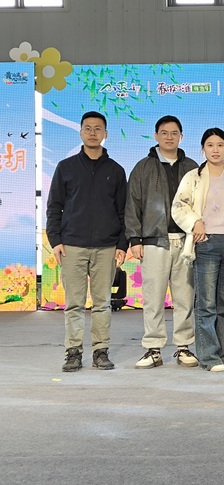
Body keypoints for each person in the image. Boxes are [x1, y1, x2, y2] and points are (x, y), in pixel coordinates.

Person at [46, 111, 128, 372]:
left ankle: (101, 352)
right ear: (81, 132)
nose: (93, 133)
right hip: (72, 246)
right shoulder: (66, 167)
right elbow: (54, 207)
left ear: (106, 133)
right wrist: (56, 240)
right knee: (74, 304)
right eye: (88, 128)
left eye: (98, 128)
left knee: (102, 303)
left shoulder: (116, 170)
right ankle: (73, 353)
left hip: (106, 247)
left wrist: (122, 245)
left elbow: (123, 212)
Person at [125, 115, 199, 369]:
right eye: (164, 133)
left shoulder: (192, 167)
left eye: (174, 133)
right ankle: (153, 348)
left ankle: (183, 347)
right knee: (153, 298)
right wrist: (134, 238)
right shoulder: (143, 167)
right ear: (156, 136)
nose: (169, 137)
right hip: (153, 241)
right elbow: (132, 203)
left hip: (186, 241)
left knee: (185, 298)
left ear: (181, 136)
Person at [171, 128, 224, 372]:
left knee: (223, 303)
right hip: (206, 242)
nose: (215, 150)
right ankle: (208, 356)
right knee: (206, 302)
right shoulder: (193, 177)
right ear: (203, 148)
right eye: (210, 145)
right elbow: (179, 206)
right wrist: (195, 222)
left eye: (220, 145)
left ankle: (223, 353)